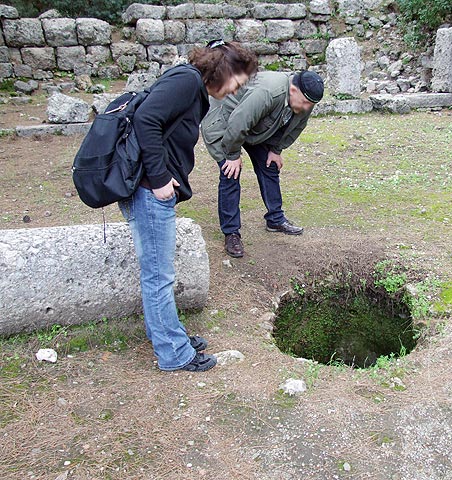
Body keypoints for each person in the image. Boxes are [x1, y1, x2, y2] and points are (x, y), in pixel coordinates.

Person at [118, 41, 258, 372]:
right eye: (238, 80)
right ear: (224, 69)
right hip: (150, 192)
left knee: (158, 274)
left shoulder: (191, 85)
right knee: (159, 276)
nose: (238, 88)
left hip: (154, 190)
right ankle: (174, 353)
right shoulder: (186, 81)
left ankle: (170, 336)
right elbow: (146, 120)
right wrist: (160, 177)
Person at [201, 70, 324, 258]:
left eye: (311, 105)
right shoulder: (268, 92)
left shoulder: (305, 99)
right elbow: (238, 122)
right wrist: (233, 155)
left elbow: (296, 126)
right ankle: (231, 233)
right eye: (306, 103)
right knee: (230, 173)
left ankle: (275, 219)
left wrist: (276, 150)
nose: (307, 108)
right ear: (292, 90)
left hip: (256, 127)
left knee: (269, 166)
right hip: (226, 122)